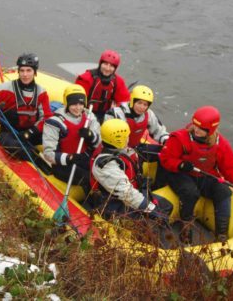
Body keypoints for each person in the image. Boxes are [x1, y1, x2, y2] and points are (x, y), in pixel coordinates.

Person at [158, 106, 233, 243]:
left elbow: (230, 168)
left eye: (202, 129)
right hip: (180, 174)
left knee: (224, 191)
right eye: (195, 125)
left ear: (210, 130)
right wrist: (180, 164)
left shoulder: (220, 143)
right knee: (190, 192)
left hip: (204, 175)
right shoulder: (179, 138)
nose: (196, 130)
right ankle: (185, 226)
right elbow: (165, 159)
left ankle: (221, 234)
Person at [91, 119, 174, 247]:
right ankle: (151, 244)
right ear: (118, 139)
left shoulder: (123, 150)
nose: (128, 138)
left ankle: (159, 235)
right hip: (113, 205)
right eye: (126, 136)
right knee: (148, 221)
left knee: (166, 206)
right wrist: (151, 209)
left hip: (132, 195)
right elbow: (127, 194)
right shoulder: (105, 165)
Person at [0, 53, 52, 163]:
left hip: (31, 132)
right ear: (18, 71)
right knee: (15, 147)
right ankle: (38, 161)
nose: (25, 75)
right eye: (22, 71)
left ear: (35, 72)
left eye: (28, 70)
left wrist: (31, 132)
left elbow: (46, 117)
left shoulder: (41, 93)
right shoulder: (5, 89)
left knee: (58, 136)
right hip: (9, 133)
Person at [42, 84, 101, 199]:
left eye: (80, 104)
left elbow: (98, 143)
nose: (78, 107)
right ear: (67, 103)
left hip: (83, 158)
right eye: (74, 104)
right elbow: (48, 154)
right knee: (88, 178)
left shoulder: (89, 116)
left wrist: (90, 135)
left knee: (101, 174)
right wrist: (69, 158)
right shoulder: (54, 122)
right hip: (63, 165)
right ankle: (91, 202)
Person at [104, 84, 169, 162]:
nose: (142, 107)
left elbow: (159, 130)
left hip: (136, 147)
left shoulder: (148, 114)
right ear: (132, 101)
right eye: (139, 103)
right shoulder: (115, 113)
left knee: (166, 152)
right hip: (116, 151)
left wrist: (166, 140)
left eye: (145, 104)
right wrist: (129, 152)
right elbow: (107, 139)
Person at [75, 50, 130, 123]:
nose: (107, 68)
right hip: (85, 111)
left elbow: (124, 100)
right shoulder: (86, 78)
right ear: (100, 63)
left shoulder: (118, 82)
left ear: (115, 68)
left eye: (111, 66)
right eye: (105, 64)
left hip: (106, 114)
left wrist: (116, 110)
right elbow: (76, 100)